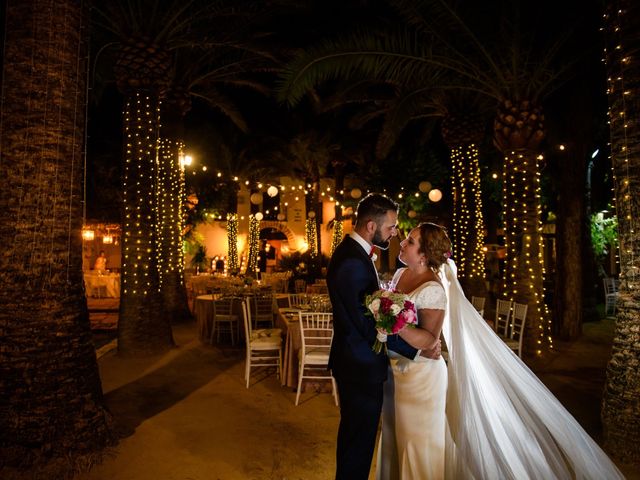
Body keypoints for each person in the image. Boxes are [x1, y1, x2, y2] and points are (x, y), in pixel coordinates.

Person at [377, 223, 625, 480]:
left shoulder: (434, 289)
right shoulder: (399, 275)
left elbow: (430, 340)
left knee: (419, 444)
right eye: (406, 239)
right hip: (396, 373)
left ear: (425, 255)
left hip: (422, 379)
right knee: (395, 437)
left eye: (411, 241)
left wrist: (392, 322)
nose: (403, 243)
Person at [327, 193, 438, 480]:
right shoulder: (352, 261)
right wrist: (418, 348)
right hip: (359, 366)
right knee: (358, 444)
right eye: (390, 226)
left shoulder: (355, 254)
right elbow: (369, 325)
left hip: (357, 364)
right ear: (370, 227)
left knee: (357, 440)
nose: (395, 232)